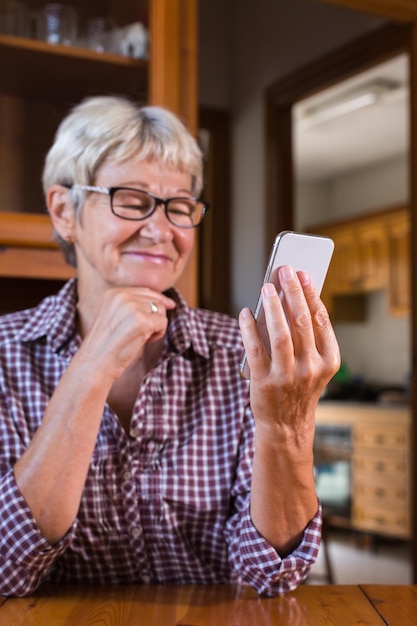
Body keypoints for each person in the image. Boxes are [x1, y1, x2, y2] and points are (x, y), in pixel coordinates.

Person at [0, 96, 340, 597]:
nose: (161, 231)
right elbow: (7, 570)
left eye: (179, 208)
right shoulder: (5, 352)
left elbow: (274, 575)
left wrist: (285, 425)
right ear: (63, 211)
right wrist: (89, 370)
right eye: (132, 201)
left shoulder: (239, 354)